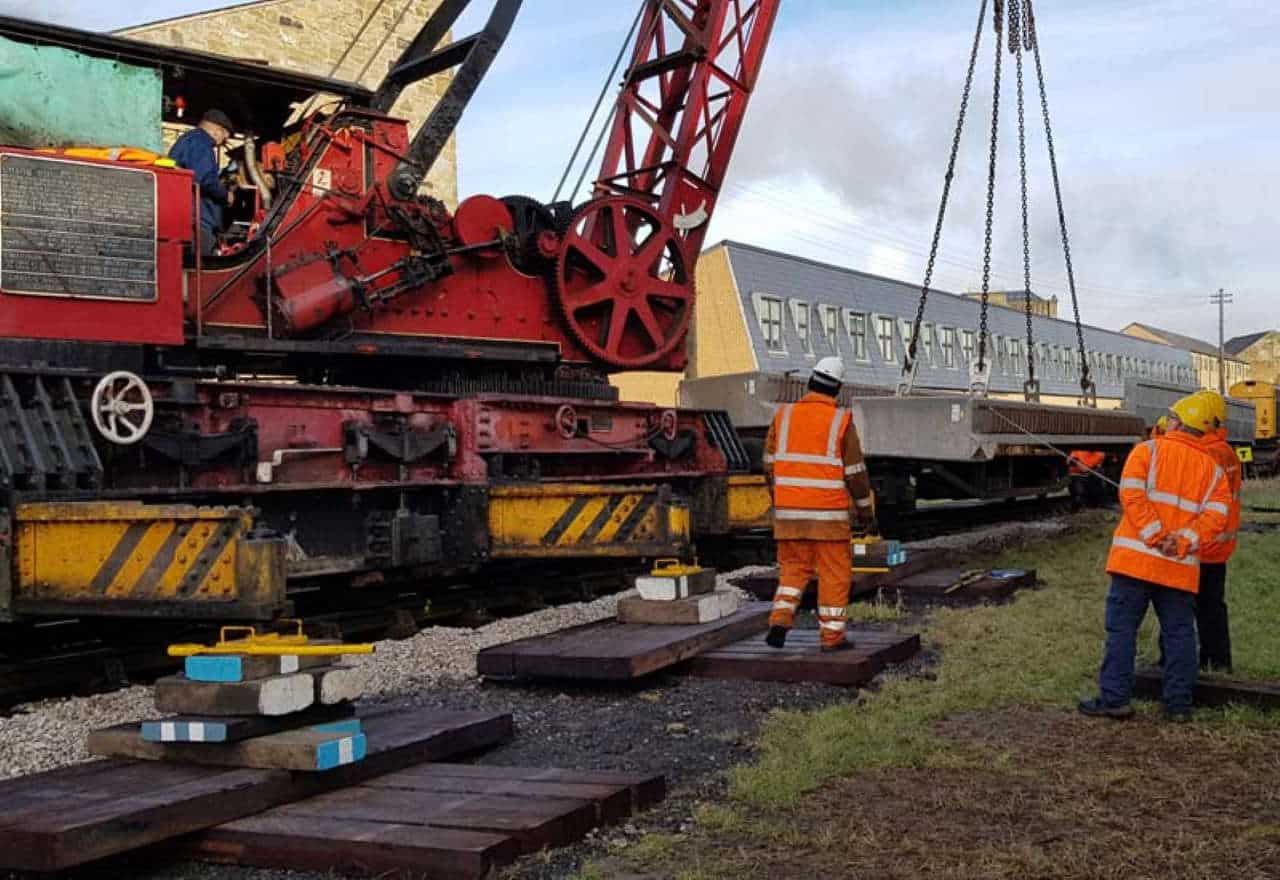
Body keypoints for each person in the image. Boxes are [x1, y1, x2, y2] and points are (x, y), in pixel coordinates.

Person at [1078, 392, 1232, 722]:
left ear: (1177, 421)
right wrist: (1182, 542)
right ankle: (1178, 705)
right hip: (1178, 567)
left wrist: (1155, 536)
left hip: (1135, 561)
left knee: (1122, 631)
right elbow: (1216, 517)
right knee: (1180, 635)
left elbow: (1131, 495)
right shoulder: (1213, 471)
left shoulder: (1146, 451)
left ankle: (1115, 699)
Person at [762, 357, 876, 653]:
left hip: (789, 516)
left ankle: (780, 620)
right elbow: (855, 474)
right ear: (837, 389)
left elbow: (768, 466)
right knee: (834, 575)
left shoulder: (783, 416)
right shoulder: (840, 421)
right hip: (829, 518)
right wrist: (866, 514)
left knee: (792, 571)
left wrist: (781, 502)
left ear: (810, 382)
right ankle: (831, 638)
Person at [1191, 391, 1241, 671]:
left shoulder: (1206, 452)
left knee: (1185, 606)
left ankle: (1189, 660)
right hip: (1218, 544)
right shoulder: (1224, 450)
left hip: (1202, 543)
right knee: (1213, 606)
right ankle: (1219, 661)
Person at [169, 109, 236, 256]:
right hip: (197, 221)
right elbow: (204, 178)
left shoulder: (189, 140)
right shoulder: (201, 143)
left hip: (186, 217)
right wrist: (225, 195)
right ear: (218, 131)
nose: (222, 143)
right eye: (225, 137)